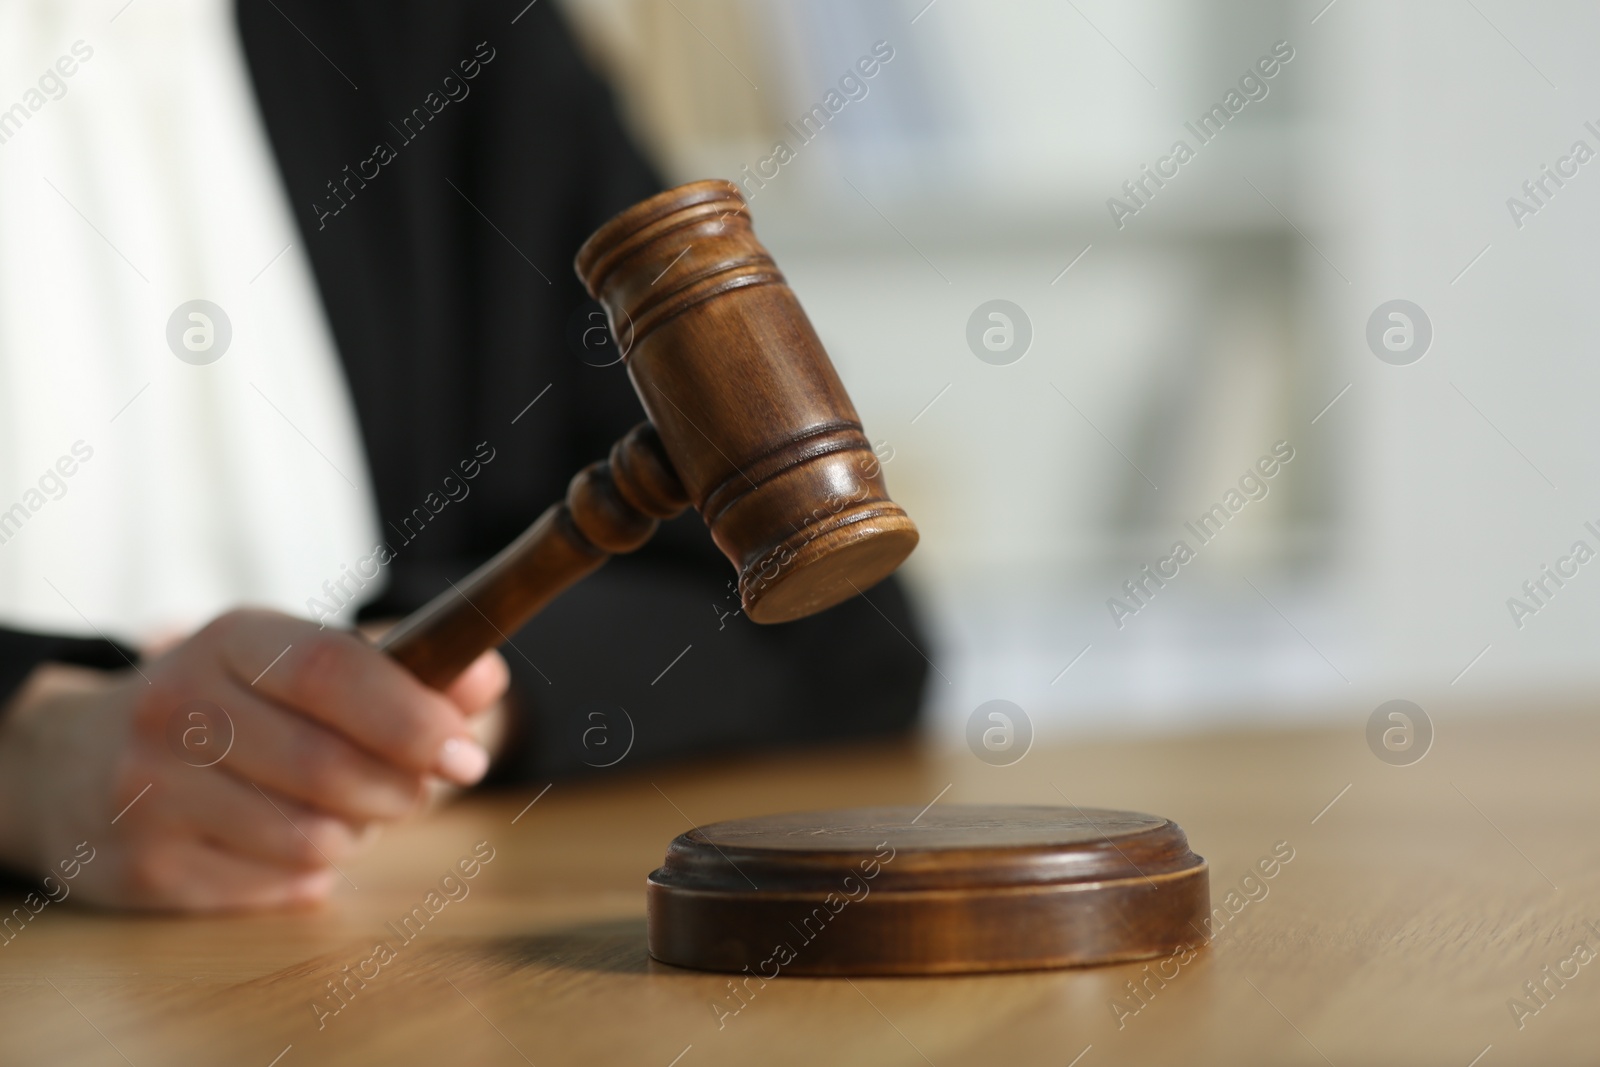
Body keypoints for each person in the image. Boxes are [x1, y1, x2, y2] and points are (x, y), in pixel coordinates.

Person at [0, 0, 927, 911]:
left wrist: (440, 705)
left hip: (377, 964)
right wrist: (25, 757)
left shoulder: (444, 31)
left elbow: (847, 634)